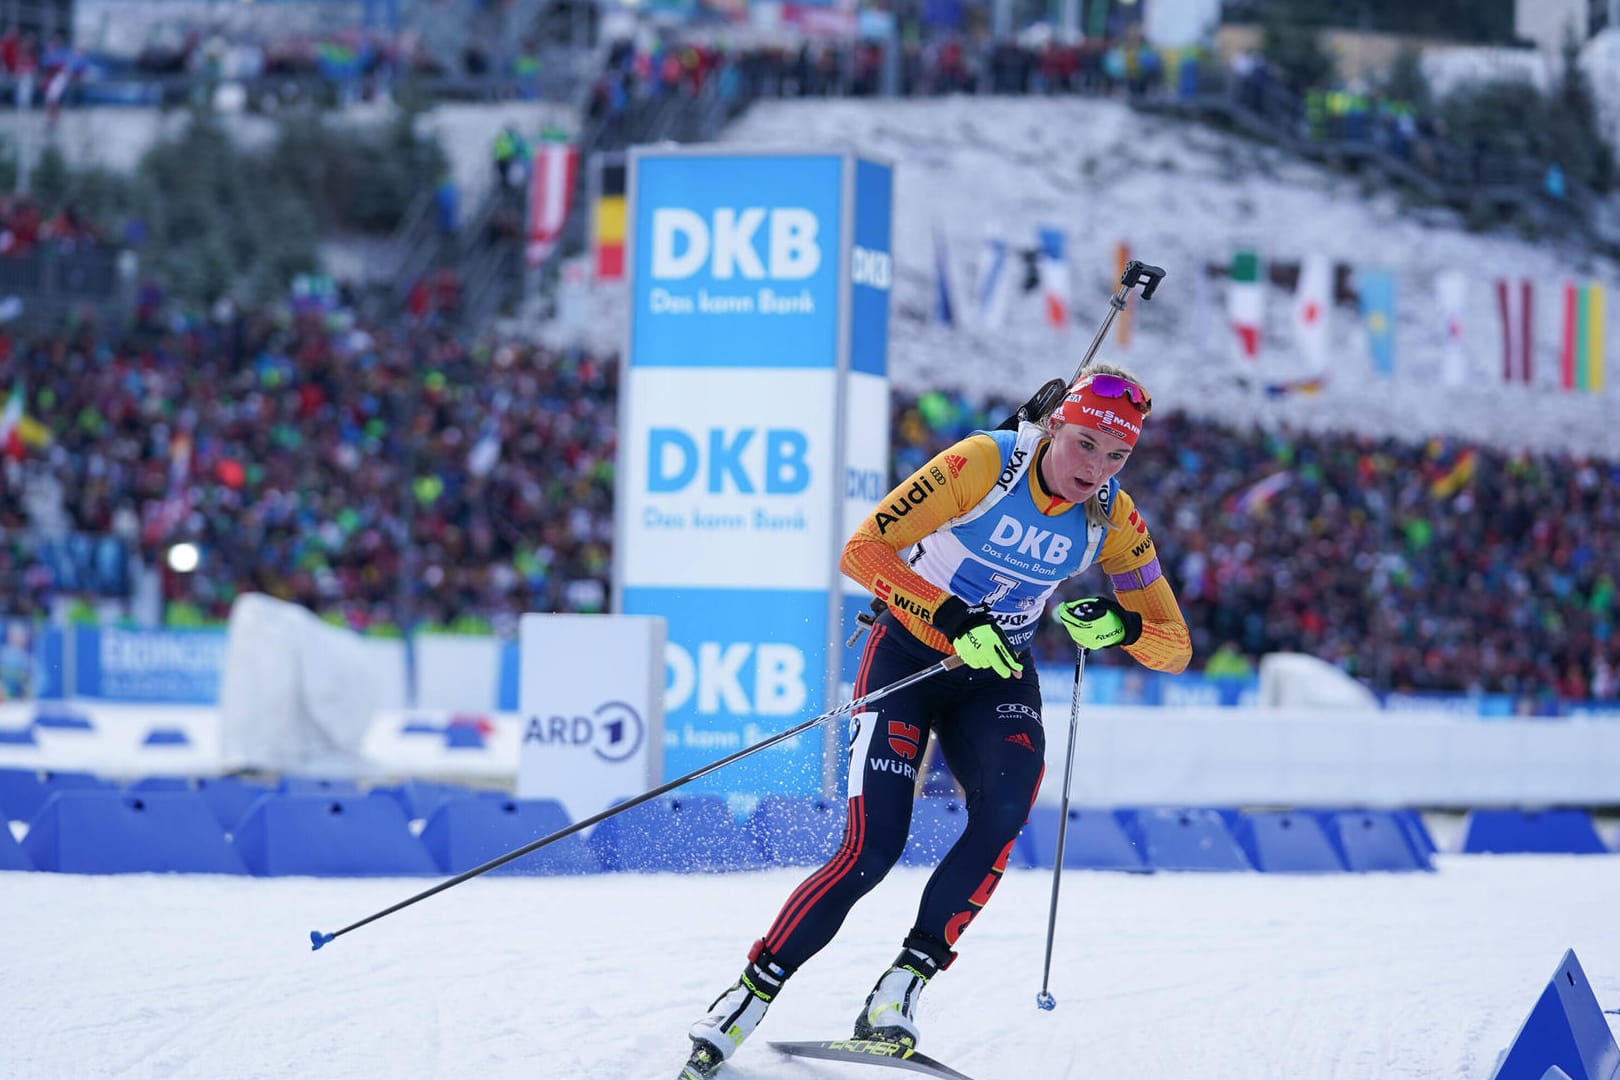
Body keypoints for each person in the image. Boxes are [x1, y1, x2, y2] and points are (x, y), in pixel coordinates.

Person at [679, 363, 1193, 1079]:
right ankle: (747, 996)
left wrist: (1122, 624)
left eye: (1116, 456)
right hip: (910, 659)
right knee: (873, 848)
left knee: (1006, 807)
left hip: (997, 673)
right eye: (1084, 445)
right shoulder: (984, 464)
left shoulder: (1113, 517)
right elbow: (863, 550)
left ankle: (899, 990)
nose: (1096, 469)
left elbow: (1176, 645)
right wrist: (950, 617)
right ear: (1053, 428)